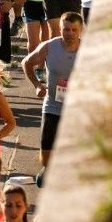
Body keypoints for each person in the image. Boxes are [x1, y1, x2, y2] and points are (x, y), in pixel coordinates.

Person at [22, 13, 83, 172]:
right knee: (46, 156)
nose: (69, 34)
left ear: (80, 31)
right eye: (66, 30)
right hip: (53, 106)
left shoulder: (87, 51)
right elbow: (26, 63)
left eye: (73, 30)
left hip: (77, 108)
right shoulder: (49, 46)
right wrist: (36, 84)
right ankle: (48, 169)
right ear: (60, 29)